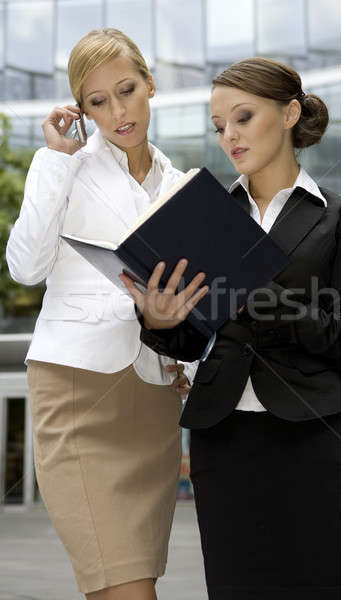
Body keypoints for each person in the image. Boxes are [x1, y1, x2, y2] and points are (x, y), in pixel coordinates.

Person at [120, 57, 341, 600]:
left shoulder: (340, 215)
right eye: (218, 127)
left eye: (242, 117)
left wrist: (263, 295)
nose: (228, 137)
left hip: (316, 436)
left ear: (289, 113)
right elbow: (192, 338)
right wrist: (160, 321)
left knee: (332, 584)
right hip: (224, 437)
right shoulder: (204, 214)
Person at [6, 28, 195, 600]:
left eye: (127, 89)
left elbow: (195, 302)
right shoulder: (66, 167)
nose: (118, 111)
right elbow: (25, 268)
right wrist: (54, 163)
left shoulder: (183, 185)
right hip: (77, 393)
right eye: (97, 101)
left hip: (153, 396)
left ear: (151, 85)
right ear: (81, 110)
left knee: (136, 582)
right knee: (122, 588)